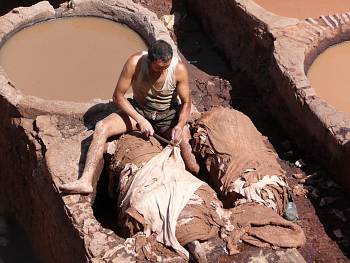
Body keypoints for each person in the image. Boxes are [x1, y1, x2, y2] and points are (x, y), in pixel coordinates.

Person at [59, 40, 200, 194]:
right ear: (149, 60)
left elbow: (186, 103)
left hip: (167, 115)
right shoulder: (135, 63)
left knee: (190, 159)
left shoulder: (178, 69)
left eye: (165, 67)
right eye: (158, 68)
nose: (162, 71)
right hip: (139, 110)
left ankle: (200, 184)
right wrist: (140, 120)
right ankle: (85, 181)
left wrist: (179, 125)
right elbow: (118, 96)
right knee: (101, 127)